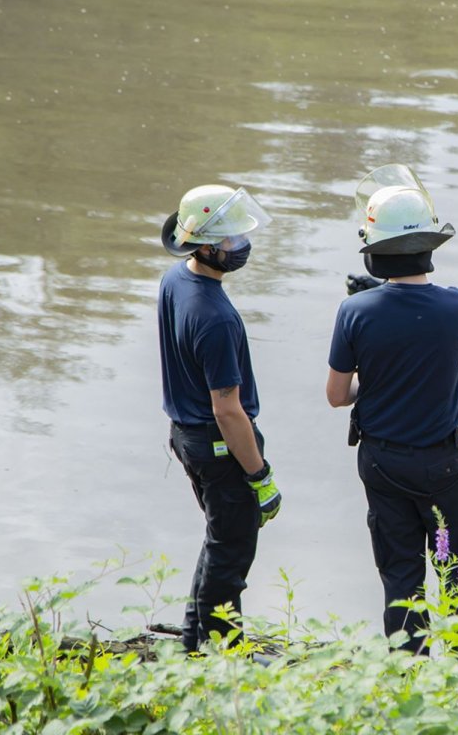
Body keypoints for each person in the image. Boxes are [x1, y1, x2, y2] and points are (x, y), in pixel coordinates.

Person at [326, 164, 458, 653]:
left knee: (401, 579)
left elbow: (337, 396)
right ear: (430, 243)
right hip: (444, 464)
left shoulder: (354, 312)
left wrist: (370, 381)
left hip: (382, 462)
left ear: (373, 250)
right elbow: (426, 315)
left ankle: (407, 676)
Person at [157, 184, 282, 653]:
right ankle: (218, 659)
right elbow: (228, 411)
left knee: (218, 544)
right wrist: (259, 474)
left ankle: (194, 647)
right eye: (231, 240)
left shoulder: (176, 279)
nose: (241, 246)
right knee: (231, 557)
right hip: (218, 444)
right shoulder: (216, 318)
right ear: (205, 246)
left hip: (185, 436)